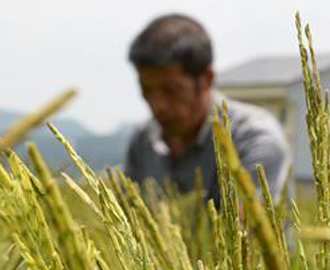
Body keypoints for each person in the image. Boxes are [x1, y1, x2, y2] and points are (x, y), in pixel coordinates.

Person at [124, 13, 291, 206]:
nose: (157, 105)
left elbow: (245, 232)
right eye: (147, 91)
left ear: (207, 79)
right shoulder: (143, 140)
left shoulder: (254, 138)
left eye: (171, 90)